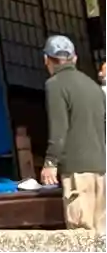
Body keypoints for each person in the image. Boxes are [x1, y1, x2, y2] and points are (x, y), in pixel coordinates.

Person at [40, 34, 105, 234]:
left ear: (46, 60)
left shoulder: (55, 85)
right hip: (101, 168)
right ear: (74, 58)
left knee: (80, 233)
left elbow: (59, 128)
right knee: (101, 233)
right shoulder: (94, 86)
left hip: (77, 170)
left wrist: (50, 163)